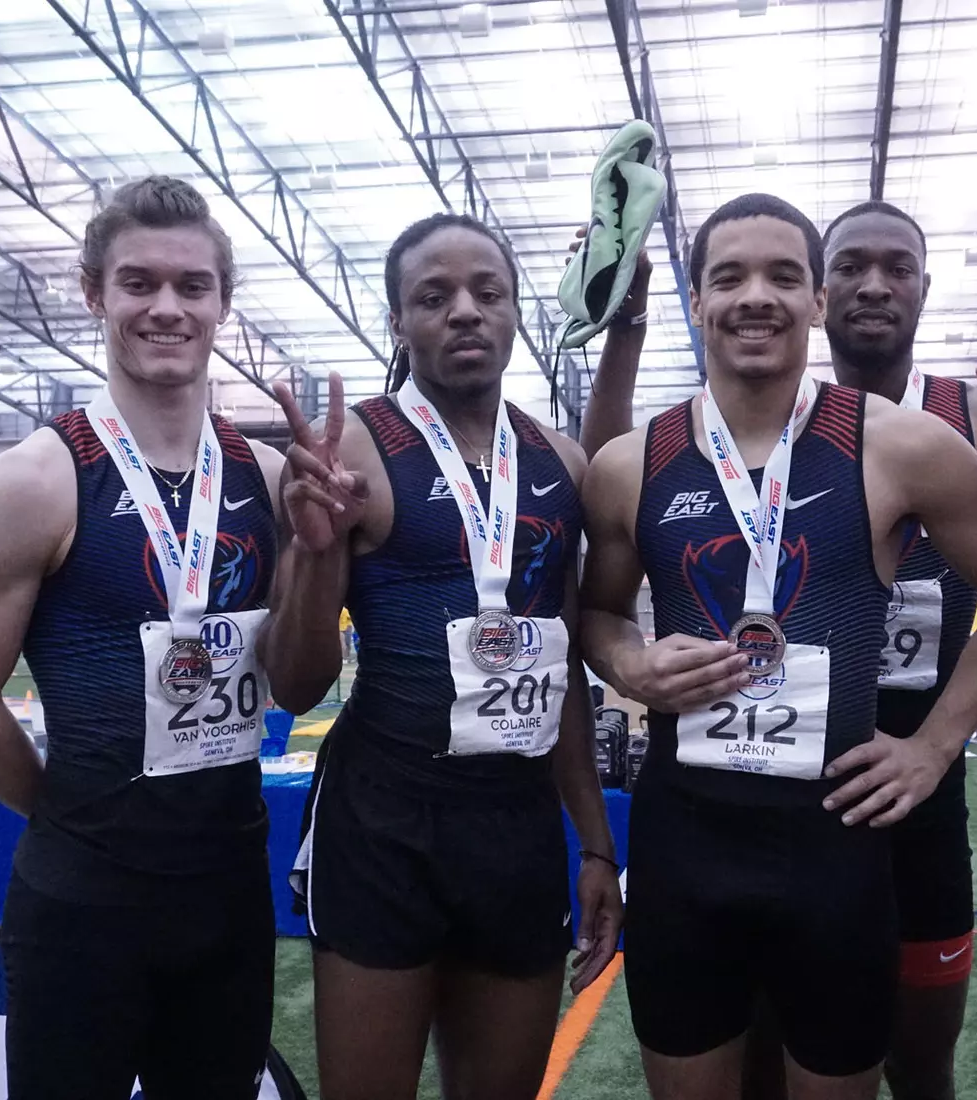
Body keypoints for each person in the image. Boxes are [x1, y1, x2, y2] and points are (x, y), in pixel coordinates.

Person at [575, 196, 977, 1100]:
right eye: (729, 276)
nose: (755, 296)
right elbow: (593, 615)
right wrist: (630, 660)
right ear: (697, 298)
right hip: (689, 830)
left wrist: (935, 743)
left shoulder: (920, 441)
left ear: (813, 303)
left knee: (912, 1066)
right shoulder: (634, 461)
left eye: (781, 276)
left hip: (848, 824)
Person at [0, 177, 285, 1100]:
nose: (167, 307)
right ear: (95, 294)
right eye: (139, 283)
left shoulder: (273, 480)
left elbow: (296, 672)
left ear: (221, 304)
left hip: (230, 887)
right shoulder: (35, 481)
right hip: (84, 903)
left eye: (192, 286)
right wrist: (72, 816)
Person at [263, 212, 622, 1100]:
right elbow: (296, 685)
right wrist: (312, 551)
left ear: (513, 314)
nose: (464, 312)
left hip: (515, 821)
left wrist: (598, 846)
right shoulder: (348, 451)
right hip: (385, 818)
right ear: (399, 322)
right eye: (434, 296)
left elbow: (566, 667)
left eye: (486, 293)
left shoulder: (561, 463)